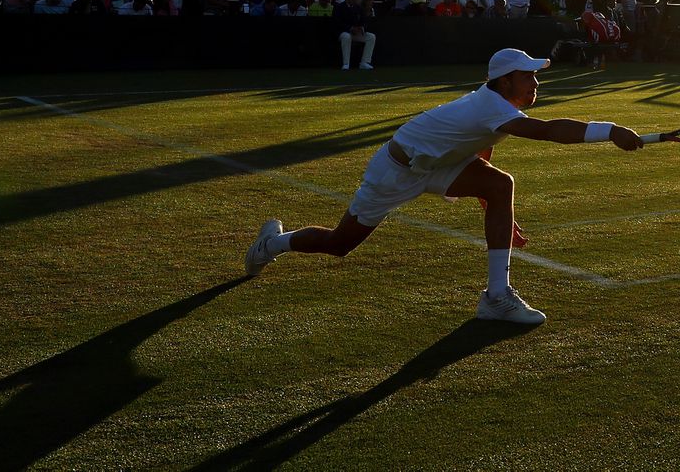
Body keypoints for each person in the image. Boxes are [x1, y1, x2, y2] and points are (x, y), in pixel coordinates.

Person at [243, 49, 643, 324]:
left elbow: (481, 151)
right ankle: (272, 244)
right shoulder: (492, 106)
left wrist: (490, 201)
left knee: (500, 185)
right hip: (396, 170)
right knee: (339, 243)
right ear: (505, 82)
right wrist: (611, 130)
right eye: (529, 76)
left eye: (536, 76)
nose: (536, 83)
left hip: (440, 166)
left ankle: (496, 298)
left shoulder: (497, 105)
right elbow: (548, 132)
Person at [337, 0, 375, 70]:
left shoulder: (358, 8)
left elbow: (363, 21)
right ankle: (346, 64)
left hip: (356, 34)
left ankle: (364, 62)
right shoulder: (339, 7)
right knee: (346, 37)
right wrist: (350, 28)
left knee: (371, 37)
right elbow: (337, 23)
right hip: (343, 33)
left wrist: (361, 28)